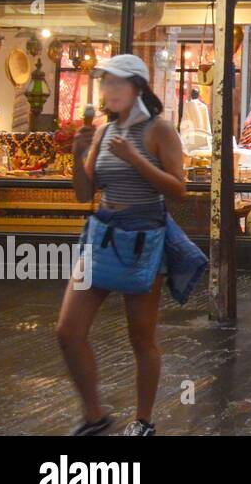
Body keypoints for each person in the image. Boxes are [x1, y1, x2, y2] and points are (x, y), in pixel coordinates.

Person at [60, 54, 205, 436]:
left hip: (144, 238)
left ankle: (142, 421)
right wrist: (78, 155)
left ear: (138, 86)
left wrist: (135, 159)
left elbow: (178, 190)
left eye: (117, 83)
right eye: (105, 83)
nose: (109, 91)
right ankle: (95, 416)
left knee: (140, 336)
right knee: (68, 331)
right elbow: (83, 193)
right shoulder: (106, 133)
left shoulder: (159, 130)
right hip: (103, 234)